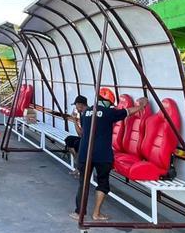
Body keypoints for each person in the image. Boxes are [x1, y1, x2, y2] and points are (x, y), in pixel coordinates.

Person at [72, 88, 148, 221]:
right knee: (102, 183)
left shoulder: (86, 112)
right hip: (102, 154)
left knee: (83, 183)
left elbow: (83, 132)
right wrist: (141, 105)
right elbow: (128, 111)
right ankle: (96, 214)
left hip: (85, 152)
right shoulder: (109, 112)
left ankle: (79, 212)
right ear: (108, 102)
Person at [62, 95, 89, 174]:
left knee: (76, 143)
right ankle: (79, 166)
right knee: (69, 139)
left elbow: (80, 134)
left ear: (80, 104)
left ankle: (80, 167)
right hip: (88, 138)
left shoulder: (86, 115)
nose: (76, 108)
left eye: (76, 105)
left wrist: (74, 121)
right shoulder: (86, 113)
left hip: (91, 142)